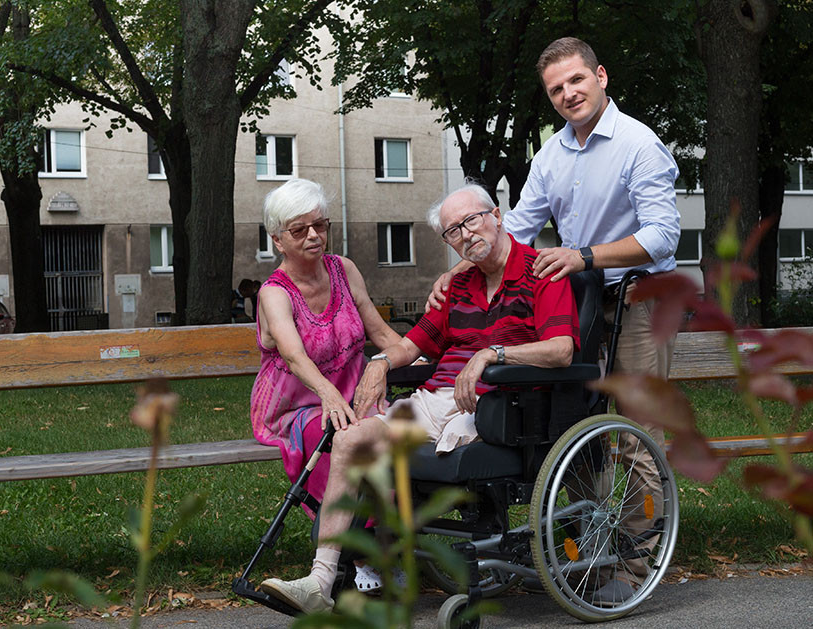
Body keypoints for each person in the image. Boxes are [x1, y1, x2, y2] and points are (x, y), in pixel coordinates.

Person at [427, 37, 681, 605]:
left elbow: (665, 235)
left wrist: (585, 255)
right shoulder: (551, 155)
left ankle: (636, 567)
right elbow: (513, 228)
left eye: (576, 81)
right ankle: (587, 551)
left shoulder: (639, 144)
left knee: (636, 435)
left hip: (638, 297)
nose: (568, 94)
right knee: (573, 430)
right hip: (582, 298)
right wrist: (459, 268)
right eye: (556, 89)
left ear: (601, 76)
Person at [259, 183, 580, 613]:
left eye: (471, 220)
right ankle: (320, 582)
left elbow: (561, 349)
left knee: (413, 441)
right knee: (353, 440)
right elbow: (412, 345)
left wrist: (492, 354)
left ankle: (385, 557)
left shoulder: (542, 270)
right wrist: (380, 364)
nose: (465, 234)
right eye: (453, 231)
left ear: (497, 216)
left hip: (505, 406)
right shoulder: (459, 283)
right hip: (434, 400)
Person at [249, 178, 403, 601]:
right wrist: (328, 396)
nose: (314, 236)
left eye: (320, 225)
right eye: (300, 230)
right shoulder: (274, 293)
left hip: (355, 392)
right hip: (295, 403)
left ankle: (385, 547)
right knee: (336, 435)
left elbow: (377, 327)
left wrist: (412, 356)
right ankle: (364, 554)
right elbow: (296, 357)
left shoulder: (343, 268)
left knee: (384, 434)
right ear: (278, 239)